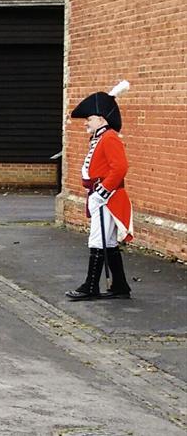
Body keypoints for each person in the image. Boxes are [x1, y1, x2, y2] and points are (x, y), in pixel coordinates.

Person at [65, 80, 133, 301]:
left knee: (97, 240)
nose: (87, 122)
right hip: (102, 195)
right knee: (108, 242)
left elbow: (120, 167)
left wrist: (101, 192)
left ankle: (91, 286)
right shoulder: (100, 137)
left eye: (90, 118)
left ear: (102, 119)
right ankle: (120, 285)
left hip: (108, 198)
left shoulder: (109, 138)